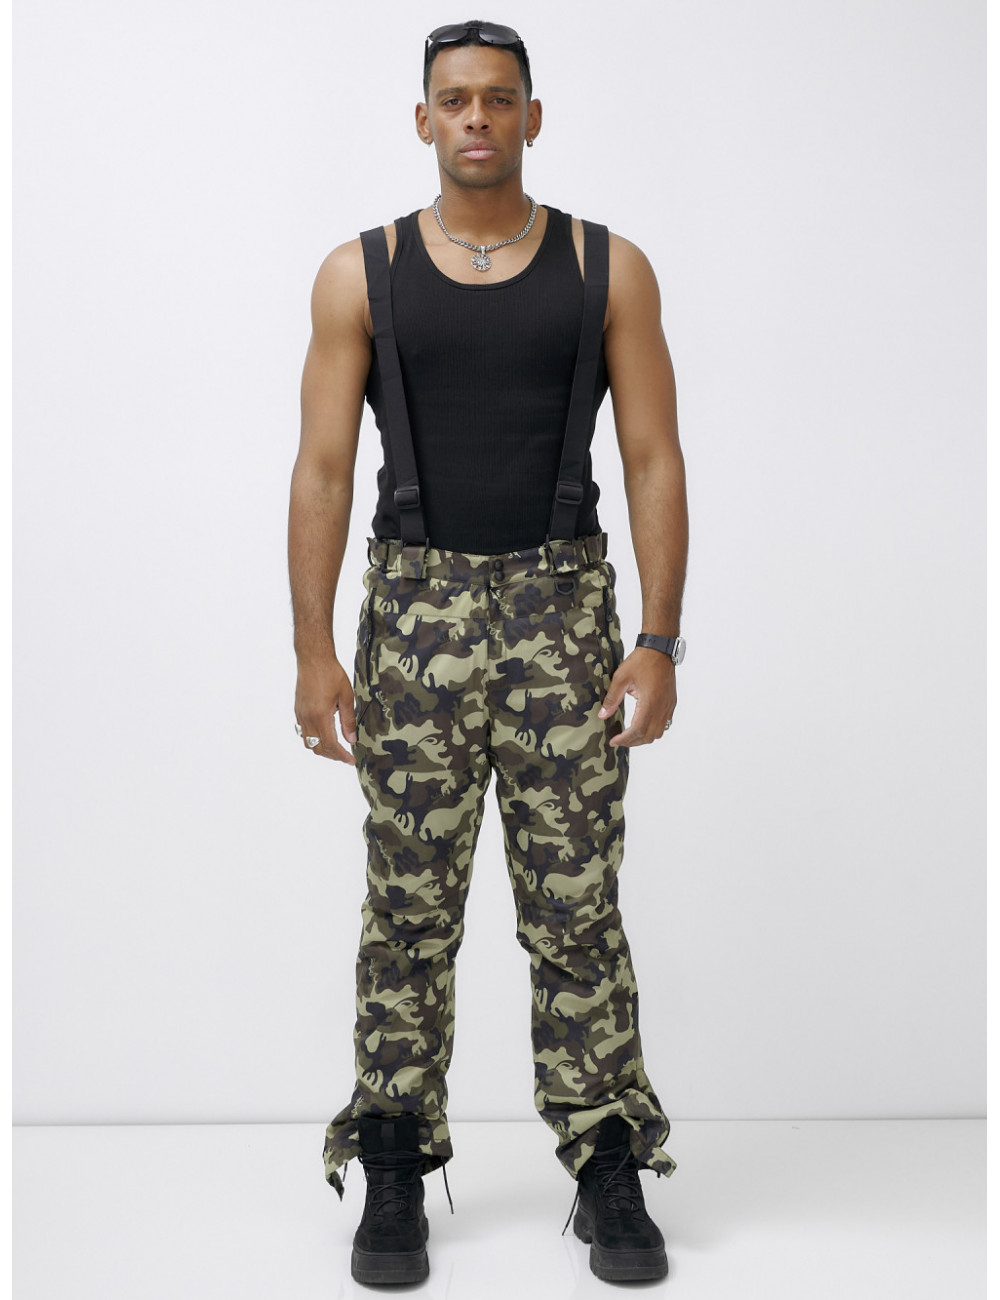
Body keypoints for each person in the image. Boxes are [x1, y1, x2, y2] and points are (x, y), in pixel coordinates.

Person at [287, 18, 688, 1287]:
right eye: (453, 99)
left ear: (530, 116)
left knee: (577, 906)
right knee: (406, 911)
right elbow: (323, 469)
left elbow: (652, 456)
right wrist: (312, 650)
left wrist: (658, 639)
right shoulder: (358, 275)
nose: (475, 118)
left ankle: (607, 1157)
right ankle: (393, 1157)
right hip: (411, 623)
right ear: (423, 120)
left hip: (565, 618)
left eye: (497, 99)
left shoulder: (606, 267)